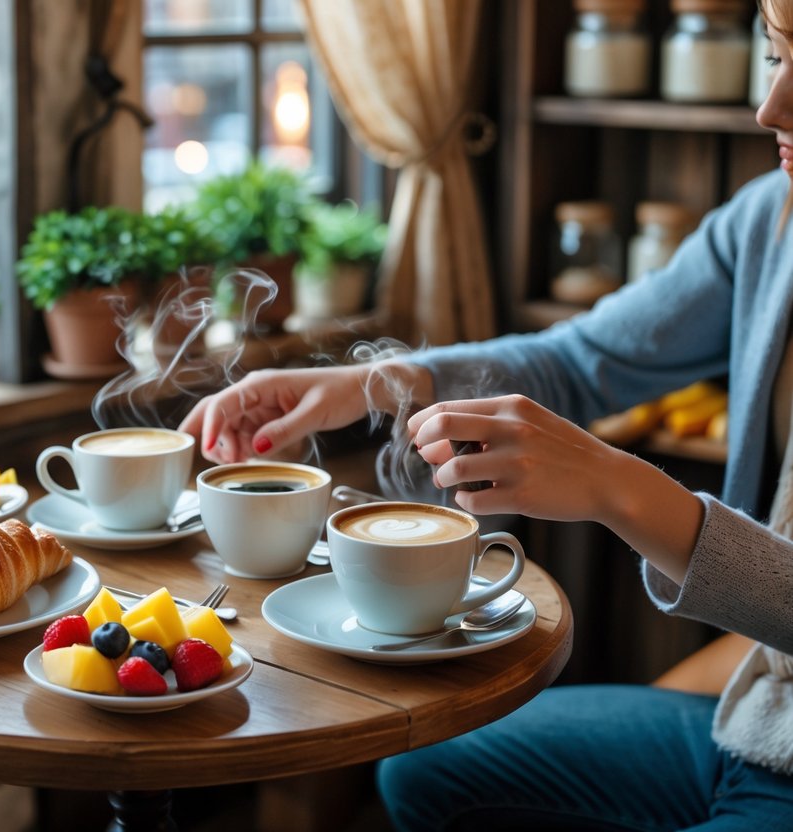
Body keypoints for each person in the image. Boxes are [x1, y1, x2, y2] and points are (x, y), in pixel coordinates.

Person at [177, 2, 793, 828]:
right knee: (423, 772)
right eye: (774, 53)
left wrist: (622, 491)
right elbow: (580, 360)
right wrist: (376, 383)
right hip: (758, 719)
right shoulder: (770, 221)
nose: (771, 107)